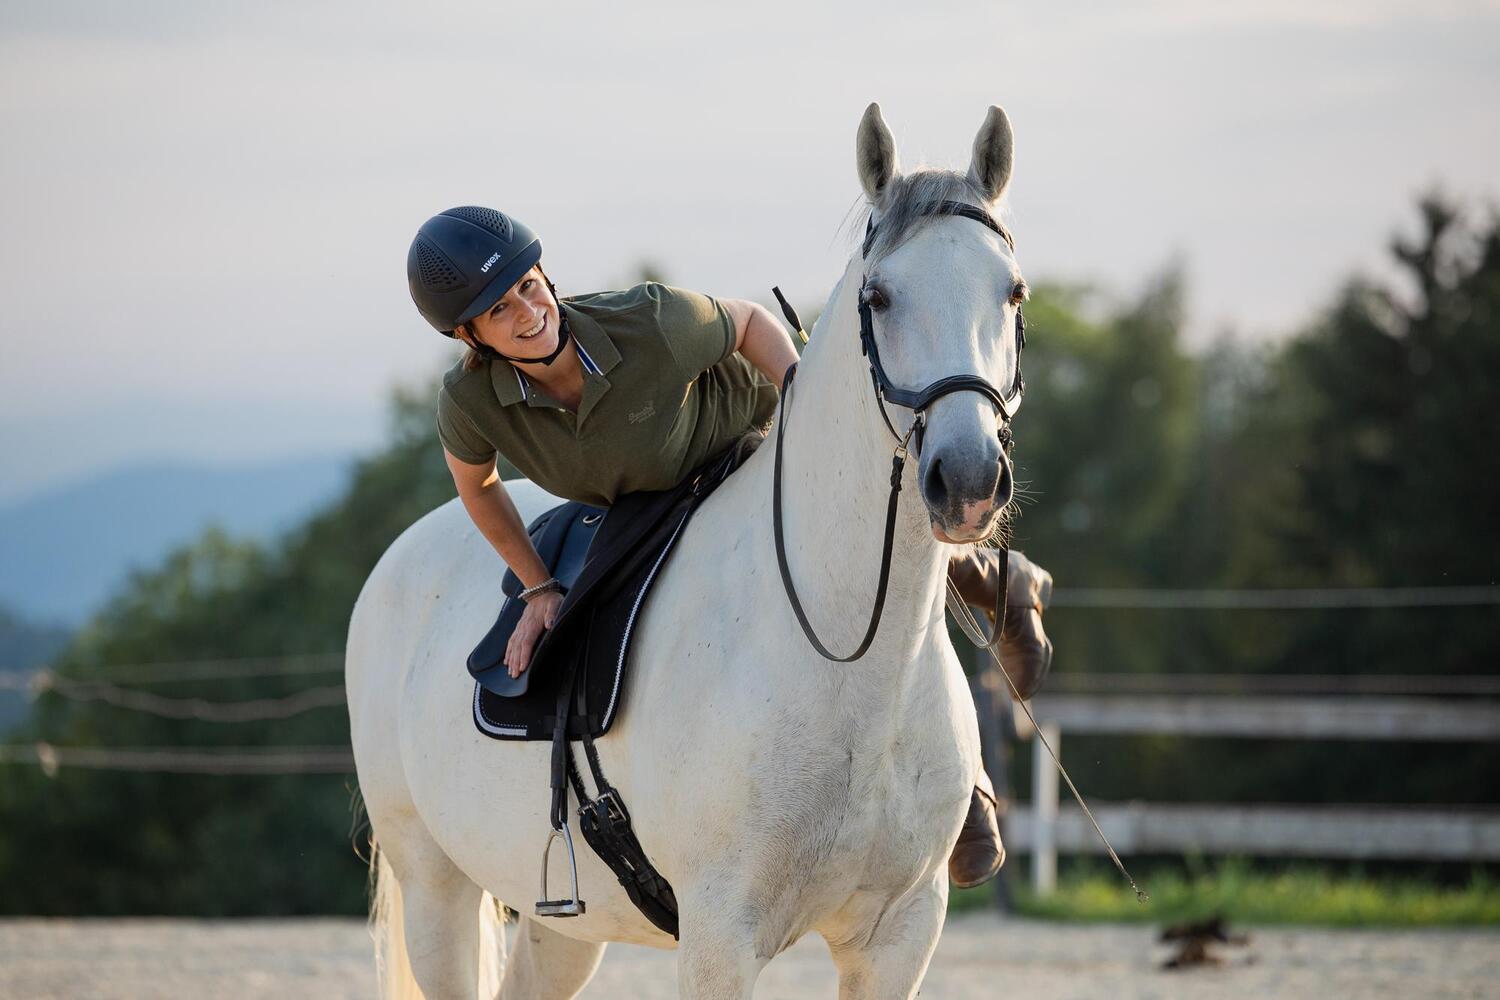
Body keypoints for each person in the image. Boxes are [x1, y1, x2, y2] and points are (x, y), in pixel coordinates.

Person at [407, 205, 1042, 888]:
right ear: (469, 334)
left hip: (744, 442)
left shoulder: (649, 318)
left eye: (530, 285)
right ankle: (983, 577)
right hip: (640, 499)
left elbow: (745, 322)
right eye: (501, 309)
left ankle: (965, 774)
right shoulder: (469, 402)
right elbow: (479, 487)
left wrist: (802, 411)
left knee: (862, 568)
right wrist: (536, 586)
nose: (530, 312)